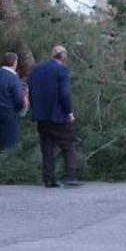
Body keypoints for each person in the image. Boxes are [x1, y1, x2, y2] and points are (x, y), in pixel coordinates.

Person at [28, 45, 81, 188]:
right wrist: (69, 112)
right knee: (69, 145)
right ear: (63, 56)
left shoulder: (36, 70)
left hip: (42, 117)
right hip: (59, 116)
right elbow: (64, 93)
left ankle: (49, 179)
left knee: (47, 148)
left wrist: (36, 110)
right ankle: (70, 177)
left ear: (52, 55)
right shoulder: (62, 70)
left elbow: (30, 91)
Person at [0, 52, 26, 150]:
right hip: (8, 111)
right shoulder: (13, 77)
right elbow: (18, 98)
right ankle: (7, 164)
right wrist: (21, 108)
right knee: (9, 144)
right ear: (14, 63)